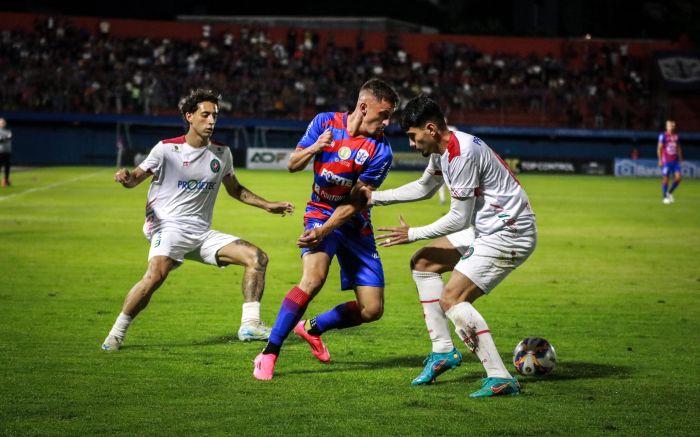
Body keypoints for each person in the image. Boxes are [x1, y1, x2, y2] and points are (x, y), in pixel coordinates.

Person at [368, 96, 537, 398]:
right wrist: (374, 198)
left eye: (412, 135)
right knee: (423, 263)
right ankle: (443, 351)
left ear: (430, 129)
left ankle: (500, 377)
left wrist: (413, 233)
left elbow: (458, 219)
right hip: (488, 227)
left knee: (452, 299)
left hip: (509, 232)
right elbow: (424, 187)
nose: (411, 142)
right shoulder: (442, 148)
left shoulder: (461, 154)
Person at [102, 89, 294, 351]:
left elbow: (235, 189)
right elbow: (135, 178)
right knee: (156, 276)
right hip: (167, 227)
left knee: (257, 258)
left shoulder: (221, 153)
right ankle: (115, 334)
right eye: (205, 115)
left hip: (201, 233)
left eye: (215, 115)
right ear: (189, 116)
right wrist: (126, 178)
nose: (212, 121)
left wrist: (267, 205)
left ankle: (250, 324)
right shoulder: (166, 149)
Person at [252, 78, 399, 380]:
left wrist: (325, 231)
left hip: (353, 221)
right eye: (383, 114)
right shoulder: (324, 122)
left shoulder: (381, 151)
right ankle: (269, 352)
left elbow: (357, 203)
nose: (387, 122)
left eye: (389, 116)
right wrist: (315, 147)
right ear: (363, 106)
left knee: (372, 310)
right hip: (319, 210)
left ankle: (311, 328)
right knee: (313, 279)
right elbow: (292, 164)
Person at [658, 119, 683, 204]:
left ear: (673, 126)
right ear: (666, 126)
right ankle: (664, 197)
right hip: (666, 161)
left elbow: (678, 147)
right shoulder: (663, 136)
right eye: (669, 125)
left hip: (675, 161)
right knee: (666, 179)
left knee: (678, 178)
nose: (670, 127)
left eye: (672, 125)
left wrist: (680, 157)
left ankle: (670, 192)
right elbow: (659, 148)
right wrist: (660, 159)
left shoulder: (676, 136)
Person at [0, 118, 12, 187]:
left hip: (7, 151)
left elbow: (10, 137)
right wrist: (6, 138)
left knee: (7, 167)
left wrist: (4, 138)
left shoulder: (8, 131)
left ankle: (6, 181)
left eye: (3, 122)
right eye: (1, 122)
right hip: (0, 151)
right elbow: (1, 140)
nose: (2, 124)